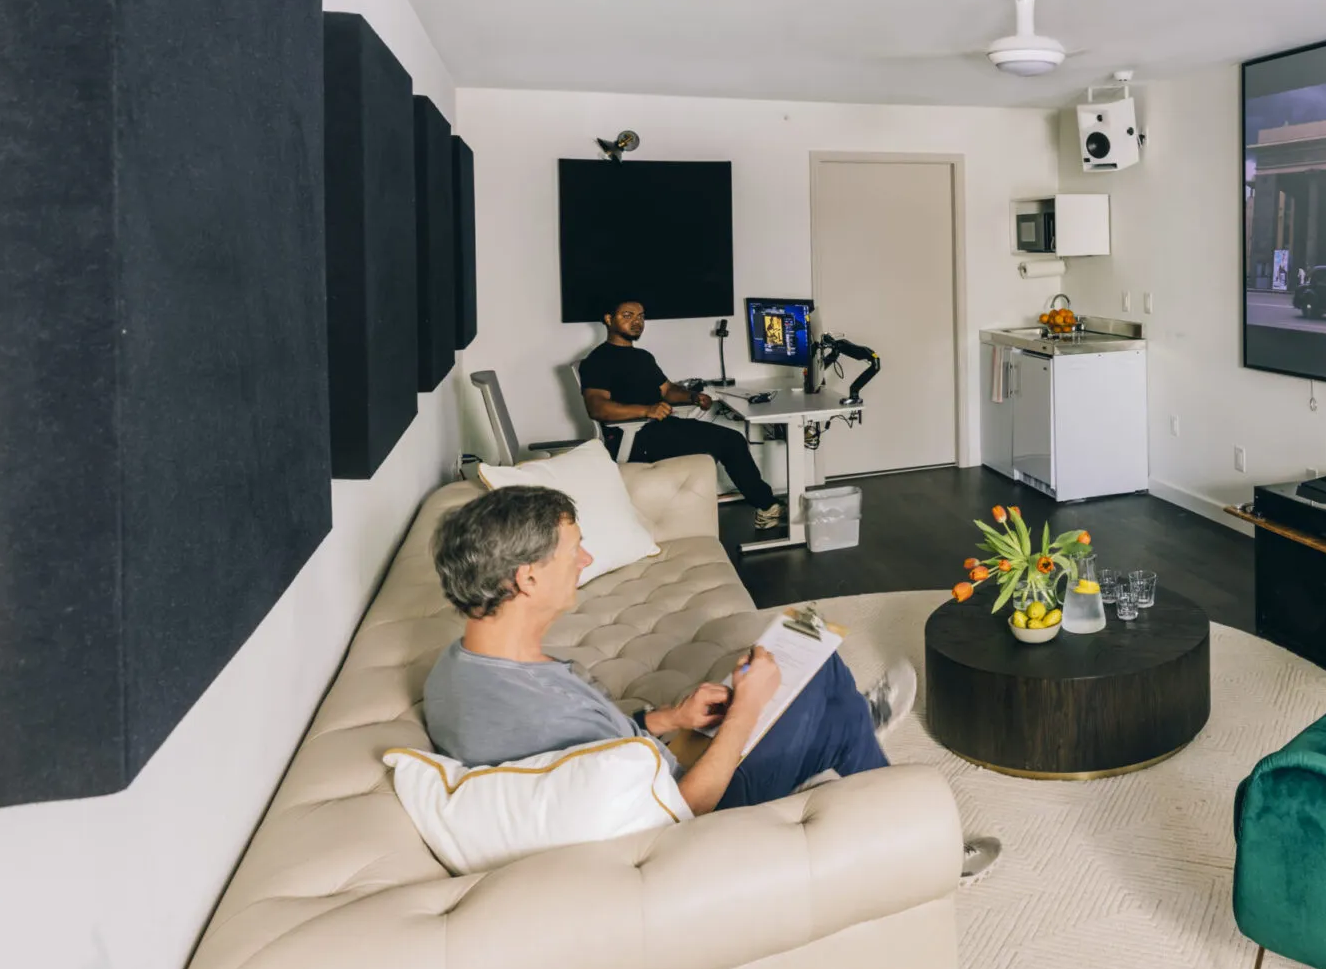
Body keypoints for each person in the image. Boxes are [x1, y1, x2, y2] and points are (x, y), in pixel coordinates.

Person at [421, 486, 1003, 879]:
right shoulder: (531, 709)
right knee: (817, 670)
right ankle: (919, 845)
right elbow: (680, 809)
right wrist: (746, 712)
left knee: (806, 653)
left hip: (659, 761)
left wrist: (668, 719)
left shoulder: (462, 667)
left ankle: (849, 728)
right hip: (694, 812)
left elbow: (590, 760)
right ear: (527, 579)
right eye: (574, 550)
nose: (587, 559)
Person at [580, 298, 783, 529]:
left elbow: (667, 390)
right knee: (729, 442)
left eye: (641, 316)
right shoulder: (598, 360)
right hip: (633, 437)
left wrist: (693, 397)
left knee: (730, 439)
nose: (636, 322)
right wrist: (647, 410)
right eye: (627, 315)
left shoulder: (642, 357)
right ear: (608, 319)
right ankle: (767, 506)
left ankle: (763, 505)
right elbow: (597, 407)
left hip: (660, 428)